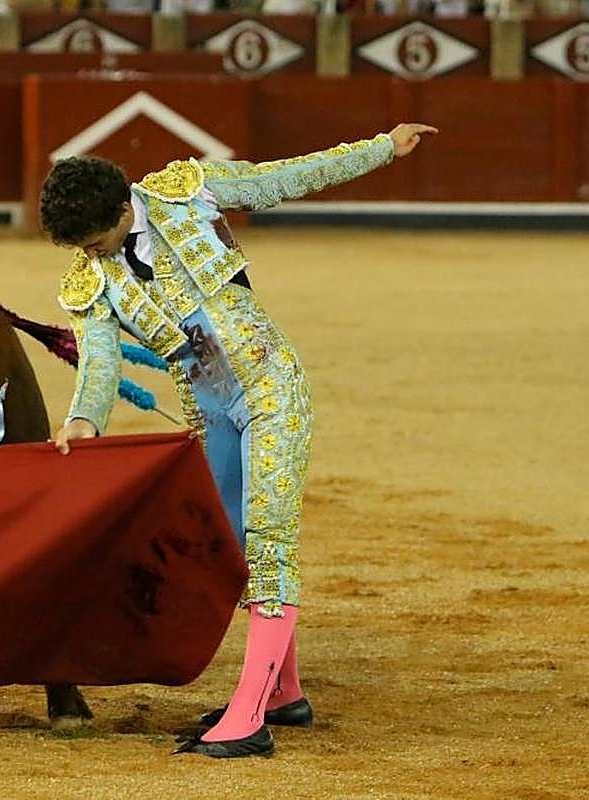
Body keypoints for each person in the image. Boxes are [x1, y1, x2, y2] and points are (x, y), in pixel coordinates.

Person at [39, 122, 438, 758]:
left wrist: (382, 148)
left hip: (269, 388)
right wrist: (85, 417)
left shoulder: (187, 192)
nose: (90, 256)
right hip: (211, 413)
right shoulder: (92, 278)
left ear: (122, 210)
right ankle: (284, 694)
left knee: (269, 543)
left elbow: (288, 176)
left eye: (96, 241)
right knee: (231, 548)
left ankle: (249, 718)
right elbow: (99, 360)